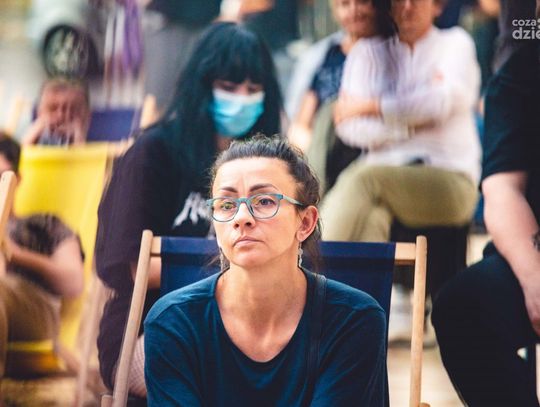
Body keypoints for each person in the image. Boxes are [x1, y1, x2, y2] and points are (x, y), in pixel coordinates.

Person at [95, 22, 282, 397]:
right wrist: (236, 273)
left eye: (253, 89)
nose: (242, 99)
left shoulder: (273, 166)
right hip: (147, 327)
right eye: (229, 87)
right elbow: (132, 267)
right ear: (202, 87)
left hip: (253, 323)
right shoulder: (153, 154)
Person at [144, 136, 386, 406]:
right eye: (226, 205)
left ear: (305, 223)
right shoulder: (173, 322)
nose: (241, 218)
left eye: (265, 201)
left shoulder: (353, 320)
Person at [431, 14, 540, 407]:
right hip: (535, 244)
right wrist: (534, 280)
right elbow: (503, 188)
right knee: (463, 309)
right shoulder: (523, 71)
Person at [320, 0, 480, 254]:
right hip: (384, 179)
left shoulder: (455, 43)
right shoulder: (367, 52)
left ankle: (308, 264)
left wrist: (371, 106)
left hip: (449, 178)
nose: (405, 8)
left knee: (364, 179)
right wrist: (409, 127)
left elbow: (439, 105)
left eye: (415, 1)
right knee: (372, 218)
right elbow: (349, 126)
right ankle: (362, 283)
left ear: (436, 6)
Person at [0, 133, 84, 398]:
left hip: (35, 309)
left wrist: (16, 254)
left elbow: (74, 282)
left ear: (16, 180)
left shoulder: (43, 224)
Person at [286, 0, 396, 152]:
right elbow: (302, 122)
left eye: (362, 2)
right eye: (345, 4)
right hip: (324, 147)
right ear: (334, 11)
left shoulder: (394, 52)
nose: (354, 11)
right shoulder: (326, 55)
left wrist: (361, 108)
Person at [22, 78, 91, 146]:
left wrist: (78, 137)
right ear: (39, 113)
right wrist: (35, 131)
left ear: (87, 117)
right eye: (52, 108)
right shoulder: (34, 136)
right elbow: (22, 151)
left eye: (74, 110)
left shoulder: (94, 140)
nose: (61, 115)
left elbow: (81, 153)